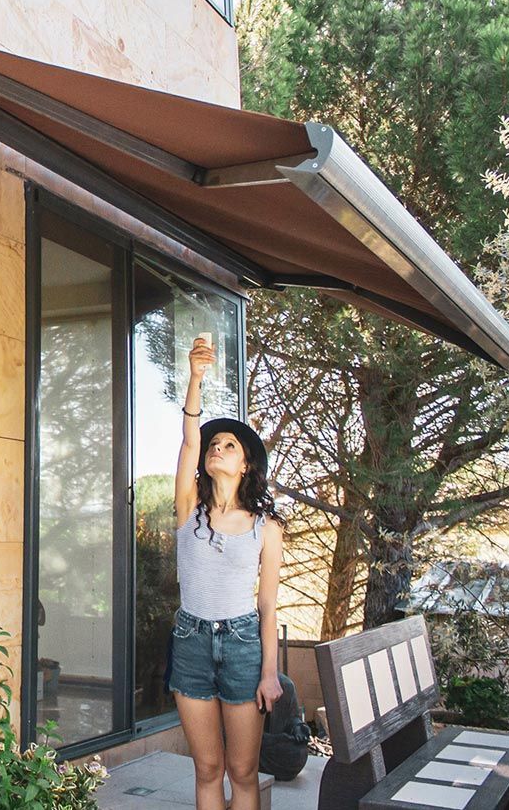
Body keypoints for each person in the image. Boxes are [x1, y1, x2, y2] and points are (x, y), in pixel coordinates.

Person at [168, 336, 286, 810]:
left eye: (229, 445)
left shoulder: (266, 528)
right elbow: (189, 438)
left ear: (245, 465)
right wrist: (195, 379)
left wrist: (270, 672)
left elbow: (268, 605)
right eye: (215, 444)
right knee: (208, 769)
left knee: (243, 772)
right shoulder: (188, 510)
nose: (217, 448)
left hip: (242, 647)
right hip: (190, 642)